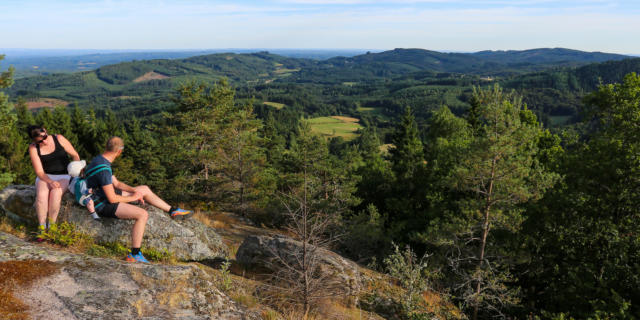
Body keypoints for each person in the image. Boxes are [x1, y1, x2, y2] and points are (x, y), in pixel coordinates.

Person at [86, 136, 192, 263]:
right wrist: (133, 197)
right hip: (100, 204)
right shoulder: (103, 168)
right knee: (142, 214)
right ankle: (135, 254)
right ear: (119, 151)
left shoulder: (101, 159)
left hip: (103, 194)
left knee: (144, 189)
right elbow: (112, 199)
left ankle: (172, 210)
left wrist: (135, 191)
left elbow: (117, 184)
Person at [27, 125, 80, 241]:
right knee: (41, 196)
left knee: (56, 193)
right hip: (45, 176)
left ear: (45, 131)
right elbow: (39, 172)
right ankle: (41, 228)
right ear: (34, 140)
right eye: (40, 141)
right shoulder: (33, 148)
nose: (44, 141)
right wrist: (50, 181)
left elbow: (75, 155)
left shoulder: (59, 138)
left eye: (44, 137)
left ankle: (52, 228)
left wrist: (75, 168)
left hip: (64, 175)